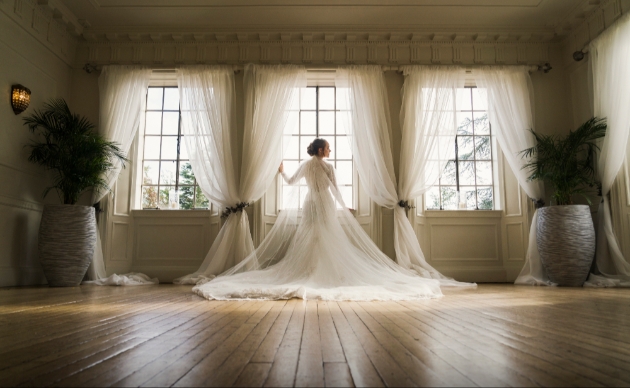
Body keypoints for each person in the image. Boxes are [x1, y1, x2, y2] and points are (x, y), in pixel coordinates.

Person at [193, 138, 465, 301]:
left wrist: (281, 172)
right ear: (321, 150)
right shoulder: (325, 167)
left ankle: (314, 270)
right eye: (329, 148)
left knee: (316, 236)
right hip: (319, 203)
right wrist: (343, 207)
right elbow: (333, 190)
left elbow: (289, 182)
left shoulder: (310, 165)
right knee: (319, 235)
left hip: (312, 202)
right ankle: (315, 272)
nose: (331, 151)